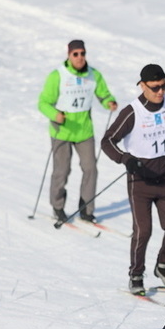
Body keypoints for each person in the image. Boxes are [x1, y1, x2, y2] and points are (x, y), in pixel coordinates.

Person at [101, 64, 165, 295]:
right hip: (140, 179)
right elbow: (107, 141)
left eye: (163, 86)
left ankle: (162, 265)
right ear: (142, 86)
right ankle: (136, 273)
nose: (160, 91)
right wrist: (125, 159)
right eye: (155, 87)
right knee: (144, 231)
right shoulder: (132, 112)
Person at [38, 39, 117, 223]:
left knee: (91, 169)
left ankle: (86, 209)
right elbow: (43, 103)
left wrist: (109, 102)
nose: (80, 57)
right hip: (62, 132)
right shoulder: (57, 75)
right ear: (69, 55)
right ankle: (58, 207)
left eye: (82, 53)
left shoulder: (93, 75)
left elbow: (103, 94)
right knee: (62, 171)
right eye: (76, 54)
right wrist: (55, 114)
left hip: (84, 131)